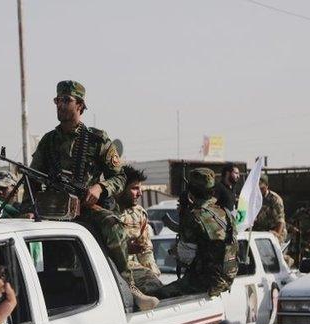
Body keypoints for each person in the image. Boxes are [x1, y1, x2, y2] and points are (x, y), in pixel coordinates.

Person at [29, 80, 157, 310]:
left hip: (86, 207)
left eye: (66, 100)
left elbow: (119, 177)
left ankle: (130, 287)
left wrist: (100, 188)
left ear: (80, 105)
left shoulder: (97, 140)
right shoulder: (49, 141)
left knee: (113, 224)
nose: (60, 105)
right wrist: (29, 207)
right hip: (55, 210)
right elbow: (33, 177)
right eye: (57, 100)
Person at [155, 168, 238, 299]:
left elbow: (186, 257)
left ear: (190, 192)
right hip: (226, 278)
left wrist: (174, 251)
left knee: (158, 295)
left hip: (205, 281)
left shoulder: (194, 216)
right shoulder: (225, 213)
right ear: (213, 190)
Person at [115, 165, 163, 295]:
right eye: (134, 188)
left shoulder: (138, 214)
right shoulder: (103, 213)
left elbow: (146, 251)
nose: (140, 193)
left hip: (135, 273)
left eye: (140, 188)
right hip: (110, 270)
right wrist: (125, 249)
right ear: (120, 189)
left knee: (157, 290)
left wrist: (154, 276)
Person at [252, 174, 287, 244]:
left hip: (274, 230)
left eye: (261, 188)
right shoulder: (254, 198)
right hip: (260, 230)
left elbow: (280, 220)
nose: (259, 190)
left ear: (267, 186)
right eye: (257, 188)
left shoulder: (275, 199)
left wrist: (277, 235)